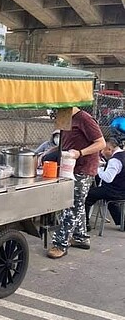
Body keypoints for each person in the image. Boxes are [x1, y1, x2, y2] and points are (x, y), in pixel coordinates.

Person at [47, 107, 106, 259]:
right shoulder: (65, 119)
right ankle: (80, 237)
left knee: (71, 205)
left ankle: (60, 244)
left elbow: (101, 143)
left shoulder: (84, 119)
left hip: (83, 168)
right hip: (69, 167)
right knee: (78, 204)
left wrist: (79, 153)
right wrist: (48, 152)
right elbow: (66, 144)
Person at [85, 137, 125, 230]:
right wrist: (103, 167)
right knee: (109, 200)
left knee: (87, 195)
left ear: (109, 149)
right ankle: (121, 222)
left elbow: (108, 178)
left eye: (102, 150)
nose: (101, 153)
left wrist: (97, 169)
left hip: (114, 191)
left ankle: (85, 224)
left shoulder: (114, 160)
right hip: (122, 189)